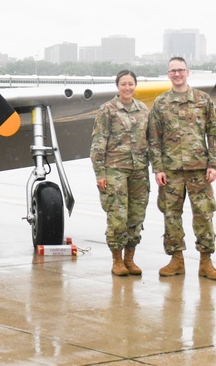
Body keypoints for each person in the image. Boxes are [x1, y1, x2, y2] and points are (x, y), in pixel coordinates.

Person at [149, 57, 216, 281]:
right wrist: (158, 168)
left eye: (180, 70)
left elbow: (213, 133)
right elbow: (154, 139)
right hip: (171, 171)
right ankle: (176, 260)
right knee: (171, 215)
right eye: (173, 71)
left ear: (188, 72)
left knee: (203, 215)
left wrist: (214, 163)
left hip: (199, 169)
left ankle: (206, 262)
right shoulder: (161, 103)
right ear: (168, 74)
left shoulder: (203, 100)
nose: (177, 74)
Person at [91, 69, 151, 276]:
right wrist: (100, 172)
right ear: (118, 86)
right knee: (117, 216)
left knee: (136, 215)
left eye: (131, 84)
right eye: (123, 84)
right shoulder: (107, 110)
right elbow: (99, 142)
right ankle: (117, 260)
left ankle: (130, 259)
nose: (127, 88)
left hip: (139, 170)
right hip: (115, 169)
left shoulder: (143, 109)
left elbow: (150, 139)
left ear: (135, 86)